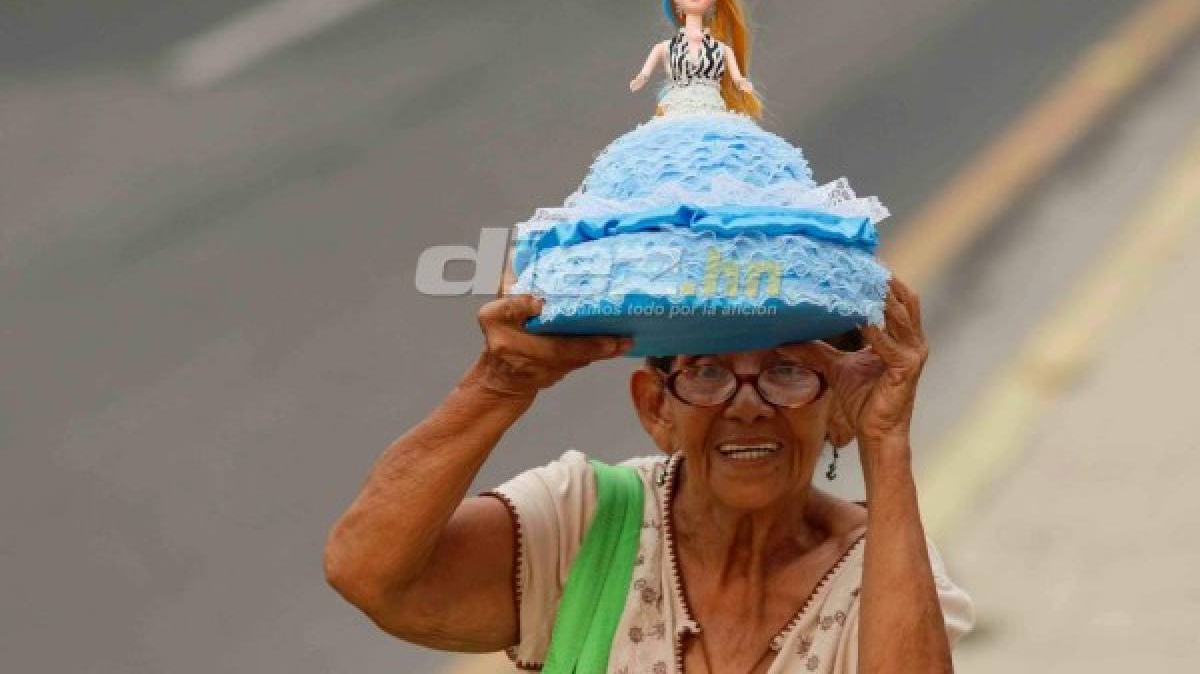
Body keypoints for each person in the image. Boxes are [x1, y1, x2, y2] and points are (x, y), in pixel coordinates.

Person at [323, 276, 975, 672]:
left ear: (839, 411)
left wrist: (885, 441)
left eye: (787, 371)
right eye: (708, 372)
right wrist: (500, 384)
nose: (746, 408)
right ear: (655, 408)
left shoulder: (882, 577)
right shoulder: (586, 519)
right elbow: (369, 572)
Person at [629, 0, 761, 119]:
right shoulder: (664, 48)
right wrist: (641, 78)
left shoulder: (721, 50)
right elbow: (644, 74)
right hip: (676, 112)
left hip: (712, 111)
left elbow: (738, 79)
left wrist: (742, 83)